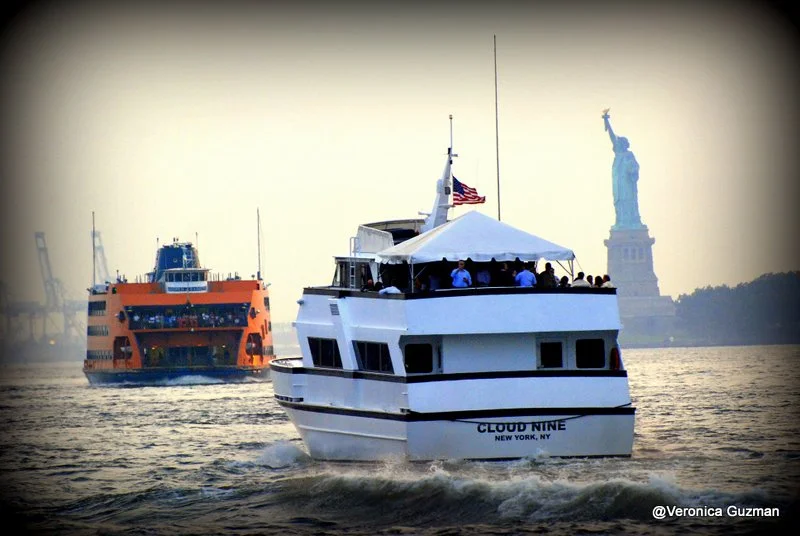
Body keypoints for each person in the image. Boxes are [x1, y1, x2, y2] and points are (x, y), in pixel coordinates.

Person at [602, 109, 643, 229]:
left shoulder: (629, 155)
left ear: (625, 144)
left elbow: (635, 167)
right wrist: (606, 121)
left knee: (629, 202)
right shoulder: (618, 154)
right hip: (619, 184)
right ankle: (621, 222)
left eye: (620, 143)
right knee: (619, 203)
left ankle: (632, 222)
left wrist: (632, 169)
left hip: (627, 185)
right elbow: (612, 136)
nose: (617, 144)